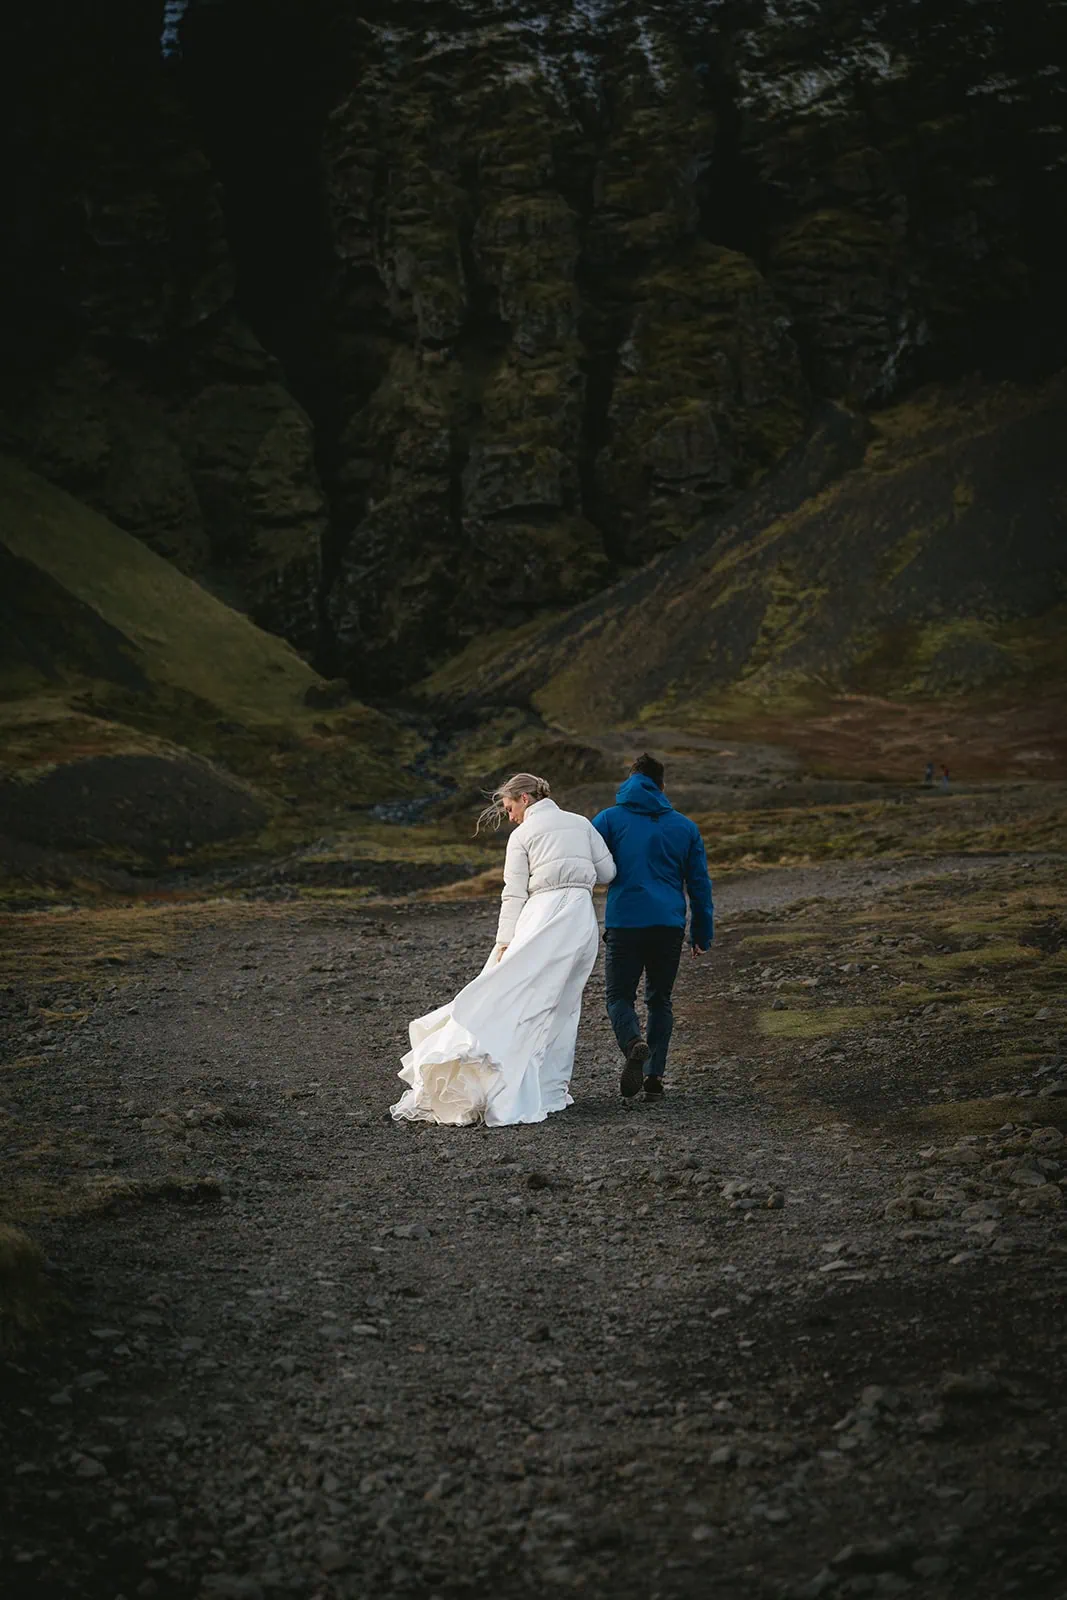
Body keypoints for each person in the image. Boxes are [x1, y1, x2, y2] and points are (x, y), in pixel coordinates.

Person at [390, 773, 616, 1127]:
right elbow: (608, 871)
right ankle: (550, 1091)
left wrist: (503, 942)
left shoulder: (522, 835)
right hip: (582, 921)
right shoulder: (582, 823)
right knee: (565, 1006)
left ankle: (508, 1087)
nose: (509, 815)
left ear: (525, 798)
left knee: (516, 996)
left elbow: (513, 894)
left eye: (510, 806)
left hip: (543, 917)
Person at [592, 753, 713, 1100]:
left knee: (618, 996)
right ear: (662, 786)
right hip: (668, 925)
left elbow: (582, 860)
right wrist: (701, 933)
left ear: (630, 781)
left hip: (625, 923)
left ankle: (633, 1043)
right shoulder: (685, 826)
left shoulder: (608, 820)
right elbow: (700, 885)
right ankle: (654, 1076)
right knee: (660, 1000)